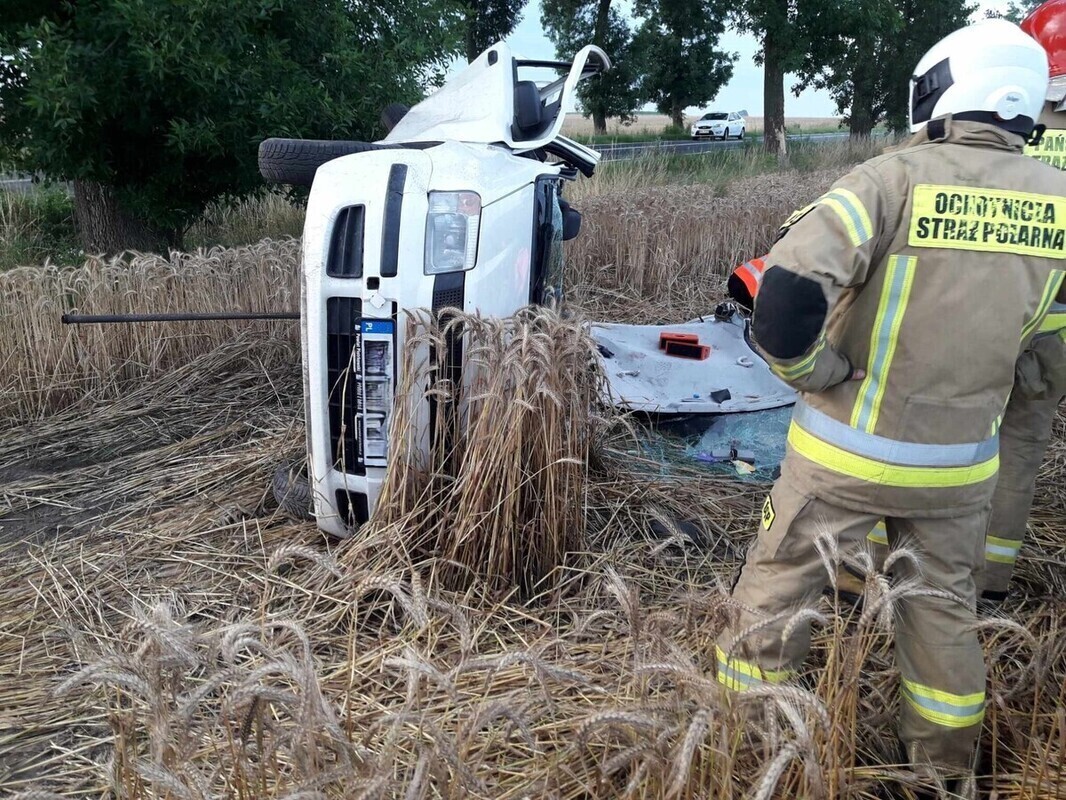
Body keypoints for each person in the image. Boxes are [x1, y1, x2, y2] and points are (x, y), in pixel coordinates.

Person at [714, 18, 1066, 792]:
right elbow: (1047, 356)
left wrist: (819, 372)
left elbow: (784, 303)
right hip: (963, 473)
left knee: (777, 592)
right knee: (942, 614)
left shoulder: (889, 179)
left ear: (945, 87)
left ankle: (747, 749)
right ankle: (943, 775)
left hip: (844, 456)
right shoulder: (1061, 201)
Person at [978, 0, 1066, 604]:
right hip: (1057, 341)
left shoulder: (1004, 137)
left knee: (938, 441)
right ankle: (987, 584)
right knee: (1019, 454)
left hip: (980, 324)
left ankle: (891, 573)